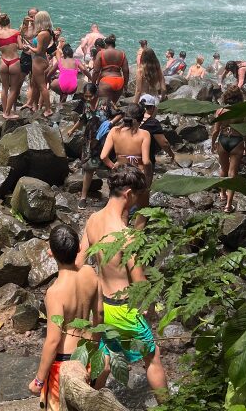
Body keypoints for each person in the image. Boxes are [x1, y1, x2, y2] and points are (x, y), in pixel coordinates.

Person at [77, 167, 168, 400]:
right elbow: (139, 283)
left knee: (105, 358)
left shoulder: (93, 220)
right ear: (128, 194)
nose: (138, 202)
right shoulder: (126, 237)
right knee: (152, 357)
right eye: (138, 197)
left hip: (102, 308)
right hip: (124, 309)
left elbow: (79, 261)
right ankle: (168, 406)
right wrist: (151, 308)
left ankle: (84, 400)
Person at [28, 225, 100, 411]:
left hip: (65, 361)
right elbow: (99, 314)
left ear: (51, 253)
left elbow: (53, 340)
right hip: (88, 353)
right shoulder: (91, 274)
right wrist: (96, 344)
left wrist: (39, 380)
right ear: (78, 249)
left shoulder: (55, 293)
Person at [66, 83, 121, 209]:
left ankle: (113, 197)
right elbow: (83, 119)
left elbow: (119, 114)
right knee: (89, 168)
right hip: (90, 141)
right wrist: (72, 130)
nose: (88, 98)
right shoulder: (86, 105)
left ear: (96, 93)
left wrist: (110, 123)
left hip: (105, 140)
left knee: (111, 167)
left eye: (90, 96)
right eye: (86, 96)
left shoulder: (106, 102)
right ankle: (83, 197)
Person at [100, 104, 151, 229]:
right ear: (140, 119)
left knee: (123, 209)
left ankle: (121, 238)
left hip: (120, 173)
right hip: (137, 174)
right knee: (142, 210)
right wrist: (148, 177)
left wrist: (114, 167)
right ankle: (136, 240)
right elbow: (146, 161)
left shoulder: (114, 131)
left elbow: (103, 156)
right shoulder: (144, 134)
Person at [211, 86, 246, 213]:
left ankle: (222, 193)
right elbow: (245, 131)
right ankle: (228, 205)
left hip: (223, 140)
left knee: (223, 169)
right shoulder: (243, 111)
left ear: (226, 96)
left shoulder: (220, 111)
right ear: (239, 97)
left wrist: (212, 143)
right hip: (237, 141)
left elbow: (215, 130)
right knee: (233, 173)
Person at [22, 10, 54, 117]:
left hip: (38, 62)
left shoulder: (41, 34)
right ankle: (30, 103)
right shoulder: (48, 32)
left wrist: (29, 47)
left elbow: (38, 50)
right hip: (42, 60)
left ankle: (48, 109)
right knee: (34, 84)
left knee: (42, 86)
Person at [0, 13, 24, 119]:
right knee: (14, 89)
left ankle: (5, 111)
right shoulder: (16, 32)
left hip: (3, 61)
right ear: (9, 22)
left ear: (0, 23)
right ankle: (7, 113)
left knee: (4, 88)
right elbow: (20, 47)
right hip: (14, 61)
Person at [139, 94, 174, 174]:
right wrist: (172, 155)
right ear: (152, 108)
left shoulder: (132, 118)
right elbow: (164, 143)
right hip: (145, 159)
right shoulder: (152, 123)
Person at [93, 35, 129, 103]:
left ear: (106, 44)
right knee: (113, 106)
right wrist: (125, 84)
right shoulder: (122, 54)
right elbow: (126, 71)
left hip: (106, 81)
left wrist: (93, 83)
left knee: (103, 106)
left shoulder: (101, 53)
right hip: (119, 82)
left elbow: (96, 71)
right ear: (114, 44)